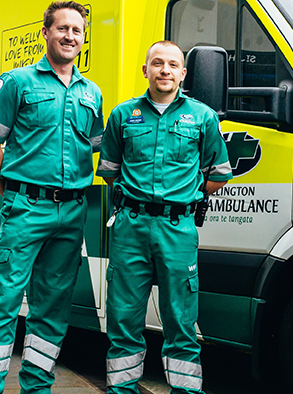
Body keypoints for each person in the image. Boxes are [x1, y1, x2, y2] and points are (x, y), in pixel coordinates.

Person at [0, 0, 104, 394]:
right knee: (4, 305)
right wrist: (13, 194)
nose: (69, 36)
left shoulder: (91, 92)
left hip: (72, 212)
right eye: (62, 28)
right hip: (26, 209)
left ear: (83, 38)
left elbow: (95, 149)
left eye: (77, 31)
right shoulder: (18, 82)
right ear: (45, 33)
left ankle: (37, 388)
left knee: (52, 312)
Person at [96, 40, 231, 394]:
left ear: (183, 74)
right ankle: (122, 390)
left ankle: (185, 391)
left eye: (173, 65)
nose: (165, 70)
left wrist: (184, 196)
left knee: (181, 319)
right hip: (130, 226)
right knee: (123, 317)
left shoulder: (202, 117)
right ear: (146, 70)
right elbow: (109, 170)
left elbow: (218, 173)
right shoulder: (122, 116)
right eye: (158, 63)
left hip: (178, 228)